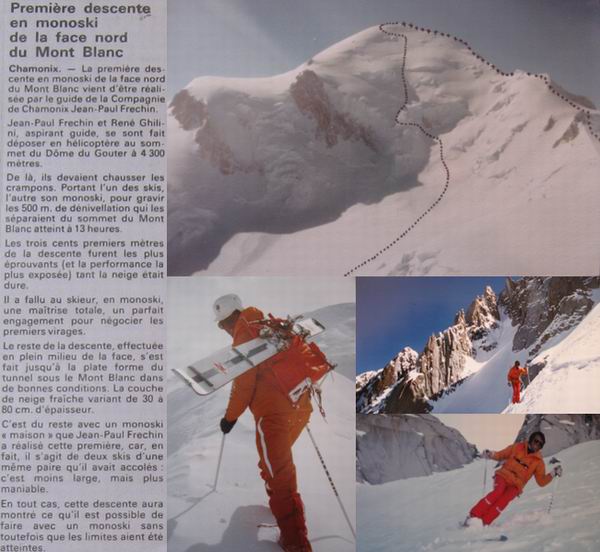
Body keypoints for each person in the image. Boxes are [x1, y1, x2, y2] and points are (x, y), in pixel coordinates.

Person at [214, 293, 314, 552]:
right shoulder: (272, 325)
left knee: (278, 475)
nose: (223, 329)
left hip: (273, 415)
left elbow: (243, 385)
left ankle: (295, 543)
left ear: (232, 317)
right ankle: (283, 515)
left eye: (223, 323)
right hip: (301, 406)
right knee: (273, 466)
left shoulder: (244, 335)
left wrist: (229, 418)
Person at [465, 431, 562, 526]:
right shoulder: (517, 447)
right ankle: (473, 517)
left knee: (502, 502)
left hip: (516, 485)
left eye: (540, 444)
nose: (537, 444)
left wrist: (553, 473)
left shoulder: (538, 462)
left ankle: (484, 523)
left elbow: (541, 481)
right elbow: (501, 455)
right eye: (536, 441)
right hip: (503, 475)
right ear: (531, 439)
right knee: (497, 492)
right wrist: (491, 454)